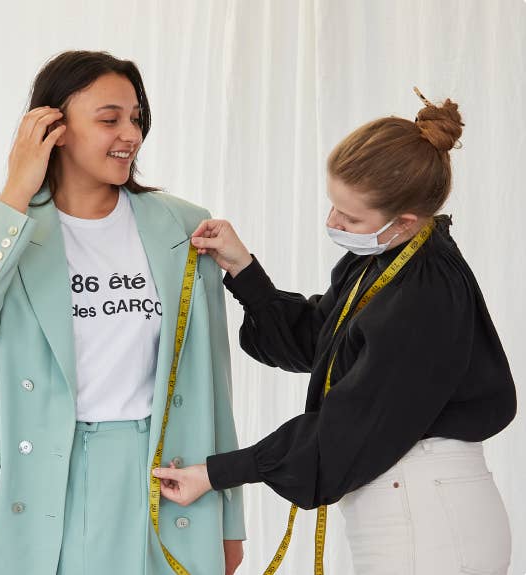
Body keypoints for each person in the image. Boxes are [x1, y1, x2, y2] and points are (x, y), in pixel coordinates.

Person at [0, 50, 245, 575]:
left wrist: (229, 518)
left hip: (149, 471)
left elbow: (212, 379)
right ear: (54, 128)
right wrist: (17, 191)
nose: (129, 134)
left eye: (136, 118)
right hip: (29, 469)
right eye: (109, 119)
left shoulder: (182, 225)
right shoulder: (0, 222)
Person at [153, 90, 517, 575]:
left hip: (428, 519)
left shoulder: (424, 295)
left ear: (404, 220)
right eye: (333, 206)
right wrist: (244, 270)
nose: (333, 222)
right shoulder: (384, 259)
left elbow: (347, 425)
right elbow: (325, 344)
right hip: (409, 503)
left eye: (350, 217)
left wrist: (217, 473)